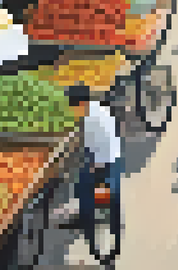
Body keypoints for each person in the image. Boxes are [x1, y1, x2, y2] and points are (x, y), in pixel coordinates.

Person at [69, 86, 122, 259]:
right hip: (113, 158)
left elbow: (95, 147)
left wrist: (94, 165)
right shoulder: (99, 109)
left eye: (74, 106)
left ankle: (87, 222)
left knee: (83, 186)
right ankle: (115, 237)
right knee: (113, 197)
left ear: (80, 103)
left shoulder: (90, 119)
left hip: (104, 161)